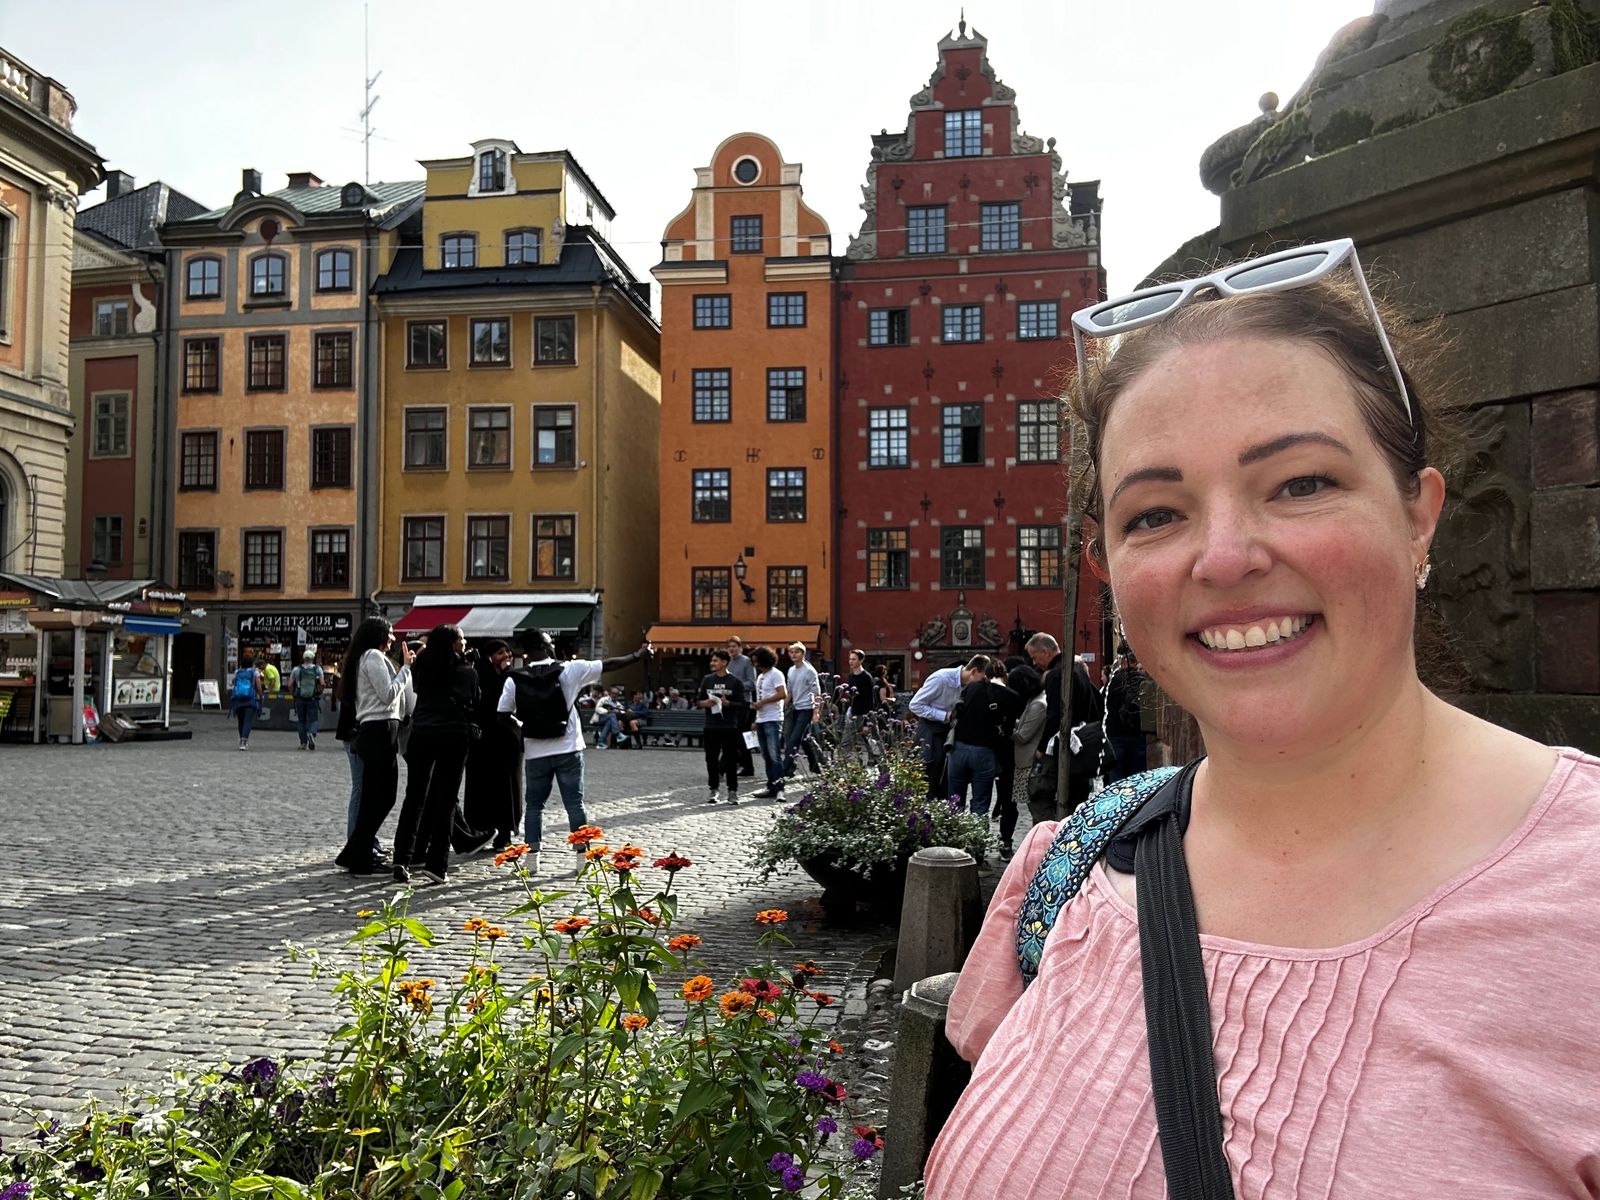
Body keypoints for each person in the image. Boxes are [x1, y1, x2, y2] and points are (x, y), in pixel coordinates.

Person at [924, 243, 1600, 1197]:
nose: (1227, 557)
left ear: (1419, 516)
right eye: (1157, 513)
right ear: (1108, 567)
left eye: (1301, 483)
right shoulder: (1069, 870)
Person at [497, 628, 652, 876]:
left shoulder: (514, 678)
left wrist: (524, 729)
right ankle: (582, 856)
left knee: (535, 805)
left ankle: (532, 857)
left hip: (536, 751)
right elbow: (609, 664)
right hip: (568, 747)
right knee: (574, 804)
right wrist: (637, 654)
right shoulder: (569, 669)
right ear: (546, 645)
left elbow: (503, 714)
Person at [391, 624, 478, 885]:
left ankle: (401, 858)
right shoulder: (465, 672)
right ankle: (437, 864)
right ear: (452, 643)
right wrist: (469, 667)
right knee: (446, 799)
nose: (464, 642)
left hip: (422, 733)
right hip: (453, 735)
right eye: (461, 638)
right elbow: (473, 699)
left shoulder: (421, 666)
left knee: (414, 798)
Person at [335, 618, 413, 875]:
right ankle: (359, 856)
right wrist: (406, 669)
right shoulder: (373, 657)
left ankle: (355, 852)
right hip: (378, 729)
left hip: (379, 729)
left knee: (377, 797)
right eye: (389, 634)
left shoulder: (365, 657)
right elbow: (388, 694)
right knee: (380, 797)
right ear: (378, 635)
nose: (392, 639)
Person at [462, 639, 521, 850]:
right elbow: (489, 701)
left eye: (507, 651)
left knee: (507, 787)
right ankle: (481, 829)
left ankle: (505, 831)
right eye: (500, 653)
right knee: (482, 786)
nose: (506, 656)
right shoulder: (479, 675)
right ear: (489, 656)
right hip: (484, 742)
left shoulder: (512, 676)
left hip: (507, 741)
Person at [946, 659, 1022, 817]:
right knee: (980, 803)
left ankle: (951, 836)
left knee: (954, 800)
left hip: (958, 747)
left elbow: (957, 713)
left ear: (986, 674)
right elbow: (1008, 730)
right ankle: (977, 839)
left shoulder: (971, 687)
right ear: (1005, 676)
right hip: (984, 751)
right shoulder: (1012, 696)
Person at [908, 656, 991, 801]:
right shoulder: (941, 678)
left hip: (948, 732)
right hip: (930, 731)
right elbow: (915, 705)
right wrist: (945, 715)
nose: (983, 682)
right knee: (929, 778)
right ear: (973, 671)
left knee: (947, 780)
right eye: (982, 677)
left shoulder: (968, 686)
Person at [1004, 663, 1047, 859]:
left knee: (1033, 806)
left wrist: (1003, 730)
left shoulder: (1038, 704)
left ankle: (1038, 848)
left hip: (1027, 762)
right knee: (1028, 804)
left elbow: (1023, 735)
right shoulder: (1035, 700)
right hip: (1024, 761)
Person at [697, 649, 746, 805]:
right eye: (712, 660)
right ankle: (714, 789)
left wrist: (728, 703)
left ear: (724, 662)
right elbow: (698, 701)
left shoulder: (735, 682)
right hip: (711, 725)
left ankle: (733, 791)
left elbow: (742, 704)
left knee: (730, 760)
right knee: (711, 759)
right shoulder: (707, 680)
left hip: (729, 726)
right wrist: (705, 703)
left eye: (716, 660)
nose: (712, 663)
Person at [1102, 643, 1149, 784]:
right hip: (1137, 732)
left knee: (1116, 774)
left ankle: (1117, 802)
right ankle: (1136, 803)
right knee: (1137, 775)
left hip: (1116, 734)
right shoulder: (1142, 680)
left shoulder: (1114, 680)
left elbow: (1105, 705)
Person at [749, 645, 788, 799]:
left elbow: (782, 694)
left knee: (774, 755)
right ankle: (771, 786)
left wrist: (763, 702)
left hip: (773, 719)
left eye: (757, 661)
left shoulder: (776, 674)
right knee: (766, 755)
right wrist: (755, 718)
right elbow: (759, 699)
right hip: (761, 719)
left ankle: (779, 788)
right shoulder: (760, 677)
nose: (755, 664)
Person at [781, 643, 822, 778]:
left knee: (794, 739)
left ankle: (782, 770)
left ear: (803, 654)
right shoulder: (791, 670)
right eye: (791, 652)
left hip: (807, 708)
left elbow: (816, 692)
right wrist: (782, 706)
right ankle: (816, 767)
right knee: (804, 740)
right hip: (796, 708)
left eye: (796, 652)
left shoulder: (809, 671)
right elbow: (790, 692)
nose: (793, 655)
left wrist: (816, 712)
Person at [724, 636, 758, 776]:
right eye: (729, 646)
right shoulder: (727, 662)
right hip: (728, 703)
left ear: (740, 648)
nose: (731, 649)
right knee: (730, 735)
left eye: (734, 646)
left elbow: (752, 683)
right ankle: (744, 765)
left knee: (739, 736)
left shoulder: (747, 662)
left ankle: (745, 766)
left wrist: (736, 687)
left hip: (743, 702)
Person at [839, 649, 876, 759]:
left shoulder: (866, 677)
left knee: (873, 742)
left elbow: (870, 701)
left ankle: (880, 765)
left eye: (854, 659)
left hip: (864, 714)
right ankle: (845, 766)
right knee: (846, 741)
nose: (851, 662)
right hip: (853, 713)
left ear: (861, 660)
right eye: (850, 659)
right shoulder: (851, 676)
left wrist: (867, 722)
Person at [288, 650, 324, 751]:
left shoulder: (296, 670)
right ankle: (312, 733)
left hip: (300, 698)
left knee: (301, 720)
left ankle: (303, 743)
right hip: (312, 698)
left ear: (303, 658)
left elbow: (290, 685)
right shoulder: (317, 669)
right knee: (314, 719)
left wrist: (293, 694)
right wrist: (319, 692)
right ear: (313, 658)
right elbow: (322, 683)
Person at [229, 652, 264, 750]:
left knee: (241, 720)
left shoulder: (237, 672)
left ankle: (241, 740)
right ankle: (244, 741)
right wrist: (261, 696)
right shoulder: (254, 672)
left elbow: (234, 683)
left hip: (238, 699)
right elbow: (258, 686)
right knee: (248, 721)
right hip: (250, 698)